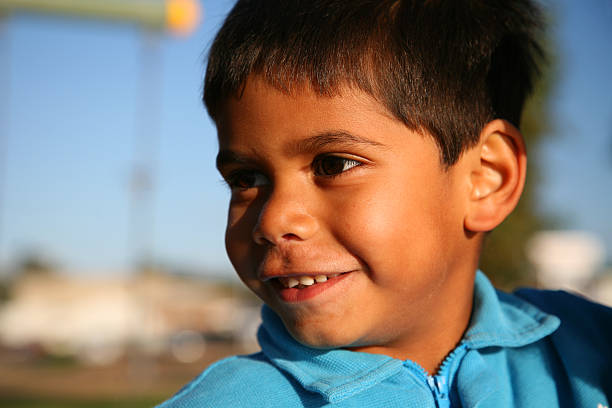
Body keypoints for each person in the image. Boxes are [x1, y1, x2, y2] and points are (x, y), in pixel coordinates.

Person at [158, 0, 612, 406]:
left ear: (486, 179)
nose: (273, 220)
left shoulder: (587, 354)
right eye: (247, 178)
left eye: (333, 165)